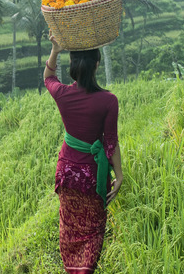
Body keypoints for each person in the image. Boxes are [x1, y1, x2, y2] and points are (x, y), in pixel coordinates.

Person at [44, 35, 123, 274]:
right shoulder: (108, 101)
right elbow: (110, 142)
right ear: (97, 64)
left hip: (67, 173)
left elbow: (48, 78)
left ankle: (71, 269)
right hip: (91, 177)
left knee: (69, 227)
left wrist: (55, 50)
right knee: (92, 230)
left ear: (73, 66)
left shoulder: (62, 94)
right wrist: (119, 176)